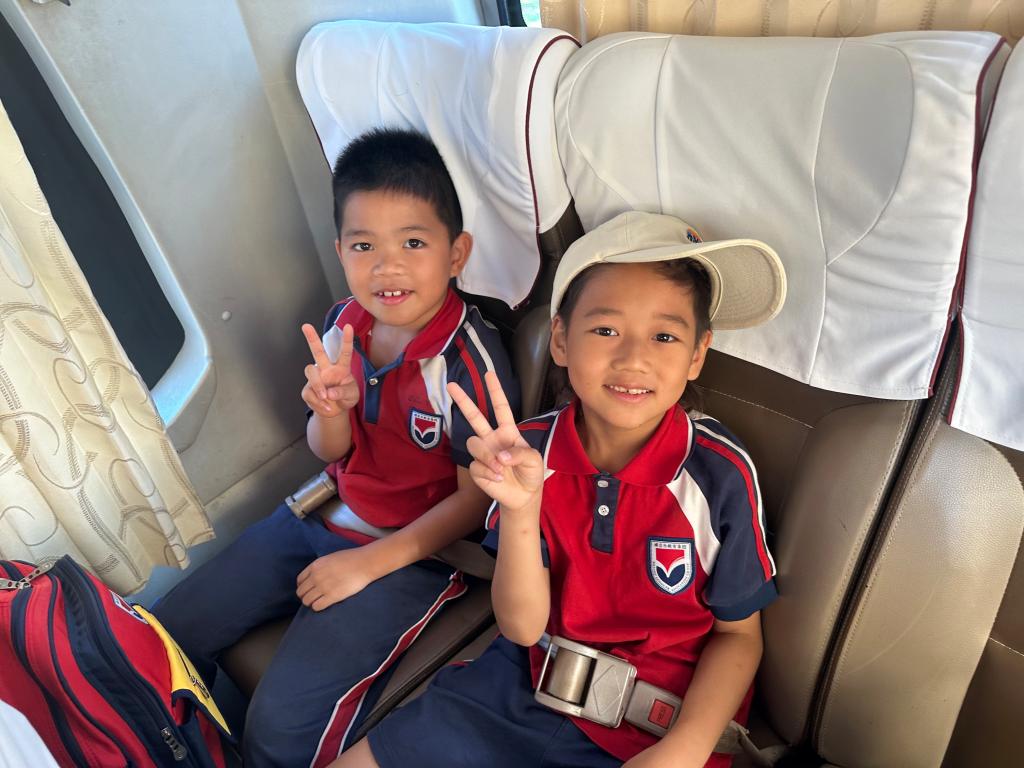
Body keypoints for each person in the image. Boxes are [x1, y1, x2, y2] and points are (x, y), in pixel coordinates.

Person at [332, 210, 787, 768]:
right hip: (518, 685)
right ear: (562, 341)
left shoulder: (719, 474)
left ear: (697, 355)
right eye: (606, 330)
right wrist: (520, 511)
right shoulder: (528, 453)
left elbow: (739, 636)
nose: (634, 358)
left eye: (665, 336)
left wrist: (686, 748)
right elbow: (522, 628)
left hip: (657, 726)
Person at [153, 128, 517, 768]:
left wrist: (368, 564)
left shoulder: (467, 362)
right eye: (364, 246)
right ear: (341, 252)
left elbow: (473, 503)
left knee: (278, 730)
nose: (387, 267)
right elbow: (331, 450)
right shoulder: (344, 325)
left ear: (456, 252)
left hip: (412, 555)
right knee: (165, 635)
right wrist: (330, 412)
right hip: (321, 513)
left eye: (413, 243)